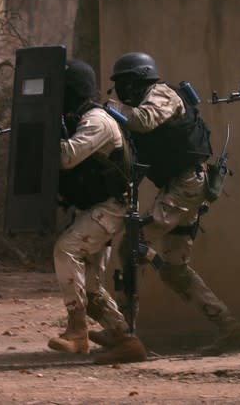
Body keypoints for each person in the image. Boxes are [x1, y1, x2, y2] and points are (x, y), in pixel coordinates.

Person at [106, 52, 240, 356]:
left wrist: (107, 108)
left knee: (130, 246)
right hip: (181, 187)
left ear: (139, 80)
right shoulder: (140, 105)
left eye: (125, 83)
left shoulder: (161, 95)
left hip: (187, 186)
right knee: (174, 270)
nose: (122, 91)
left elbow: (144, 122)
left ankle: (124, 334)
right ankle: (229, 327)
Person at [47, 59, 147, 363]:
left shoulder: (97, 121)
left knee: (66, 250)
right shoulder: (82, 118)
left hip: (114, 207)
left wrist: (42, 134)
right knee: (89, 286)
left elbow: (66, 156)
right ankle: (125, 340)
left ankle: (77, 332)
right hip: (100, 206)